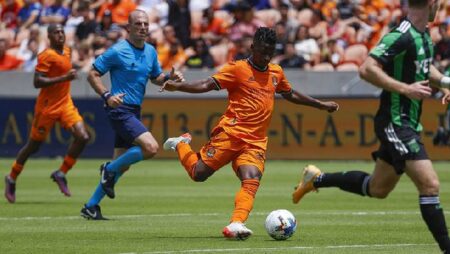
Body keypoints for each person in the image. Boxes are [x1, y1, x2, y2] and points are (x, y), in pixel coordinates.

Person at [292, 0, 450, 253]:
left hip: (408, 122)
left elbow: (422, 64)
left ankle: (317, 179)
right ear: (432, 3)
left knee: (378, 189)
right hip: (396, 122)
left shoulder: (423, 35)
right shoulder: (401, 35)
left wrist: (443, 81)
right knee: (430, 184)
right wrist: (405, 88)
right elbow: (366, 68)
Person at [160, 27, 339, 240]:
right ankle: (181, 144)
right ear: (252, 47)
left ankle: (236, 223)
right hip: (230, 134)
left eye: (270, 52)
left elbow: (290, 94)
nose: (266, 56)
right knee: (198, 174)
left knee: (252, 178)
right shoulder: (237, 69)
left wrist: (320, 105)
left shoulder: (276, 72)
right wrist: (179, 87)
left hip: (255, 142)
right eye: (263, 50)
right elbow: (207, 84)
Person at [81, 10, 183, 220]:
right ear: (129, 27)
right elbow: (92, 73)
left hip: (133, 110)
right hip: (119, 109)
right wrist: (107, 95)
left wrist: (169, 77)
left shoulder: (151, 52)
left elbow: (156, 77)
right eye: (138, 24)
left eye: (146, 24)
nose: (143, 27)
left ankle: (91, 206)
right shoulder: (118, 51)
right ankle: (108, 169)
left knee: (123, 165)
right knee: (151, 147)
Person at [4, 24, 90, 203]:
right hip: (47, 107)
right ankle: (11, 177)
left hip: (65, 104)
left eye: (61, 32)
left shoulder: (67, 51)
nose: (60, 35)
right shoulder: (46, 55)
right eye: (56, 32)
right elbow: (37, 82)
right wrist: (64, 78)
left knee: (83, 136)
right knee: (33, 146)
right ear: (49, 36)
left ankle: (61, 173)